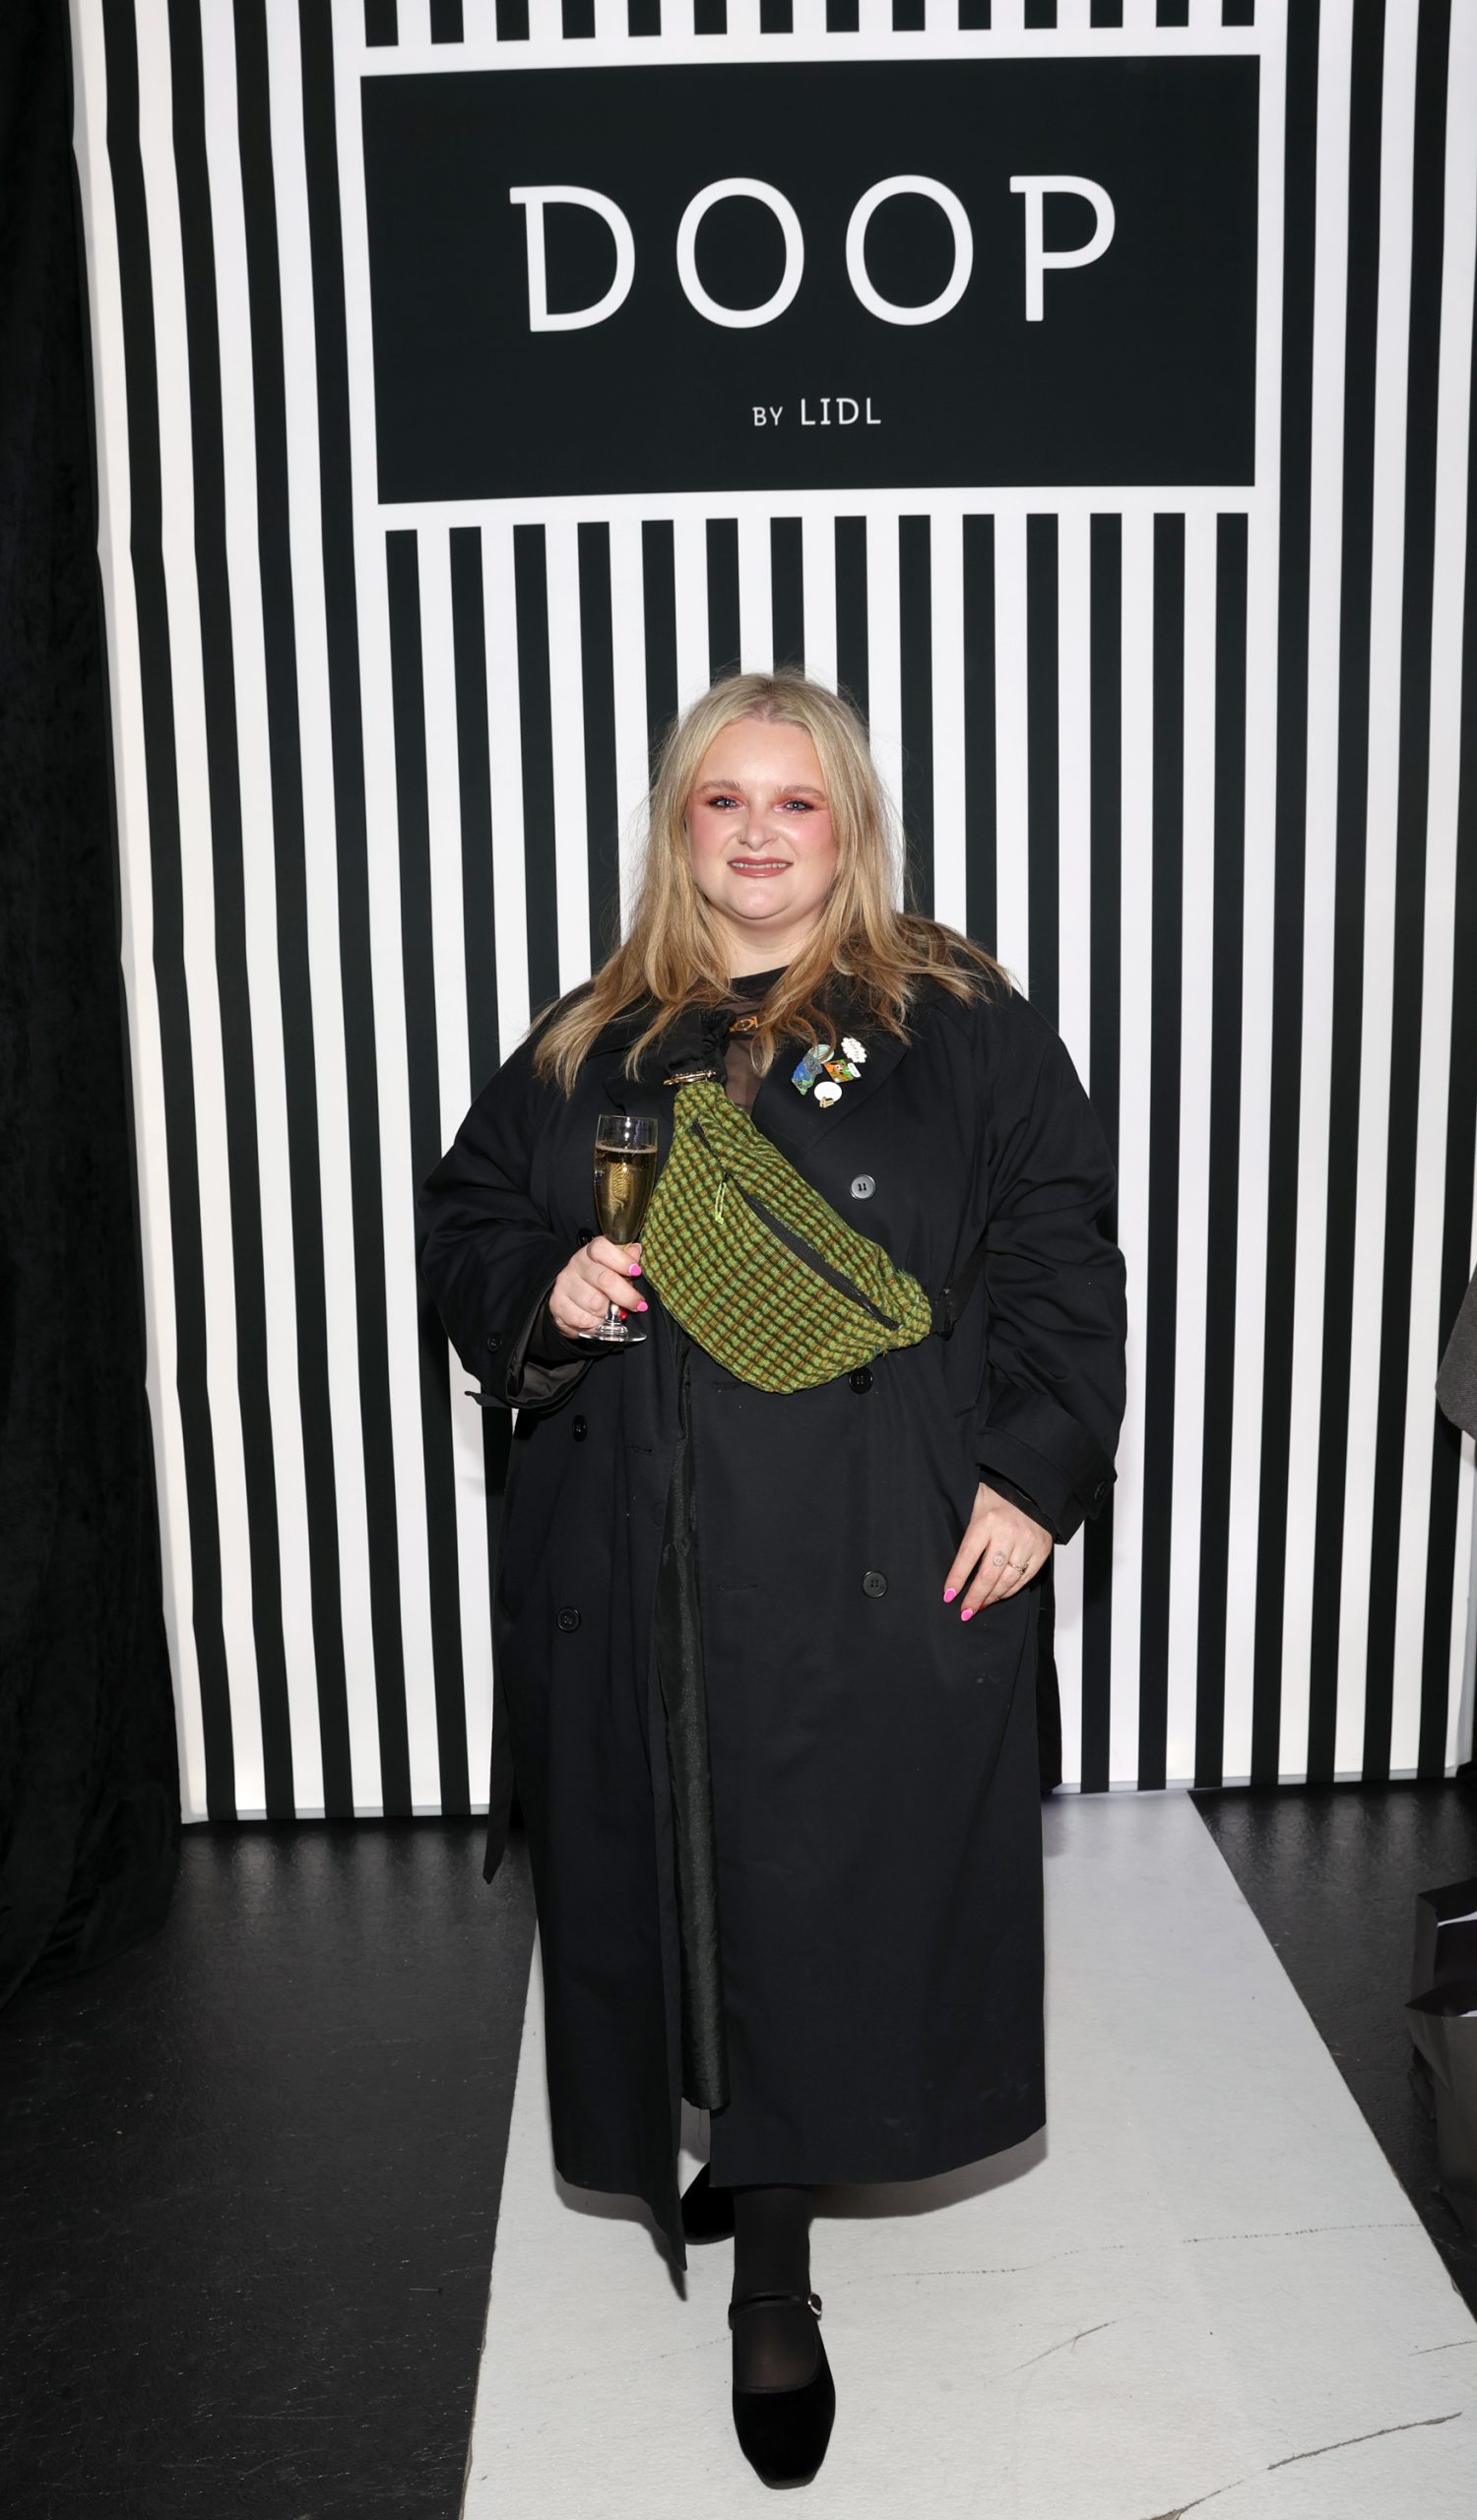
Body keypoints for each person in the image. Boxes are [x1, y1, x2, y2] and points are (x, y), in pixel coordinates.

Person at [415, 671, 1127, 2487]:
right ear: (681, 825)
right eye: (721, 799)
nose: (756, 833)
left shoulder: (958, 1024)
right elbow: (468, 1219)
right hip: (642, 1552)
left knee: (817, 1895)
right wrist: (545, 1289)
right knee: (684, 1889)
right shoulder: (596, 1037)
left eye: (794, 801)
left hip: (872, 1551)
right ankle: (749, 2185)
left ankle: (775, 2275)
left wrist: (1036, 1474)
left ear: (849, 827)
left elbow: (1063, 1247)